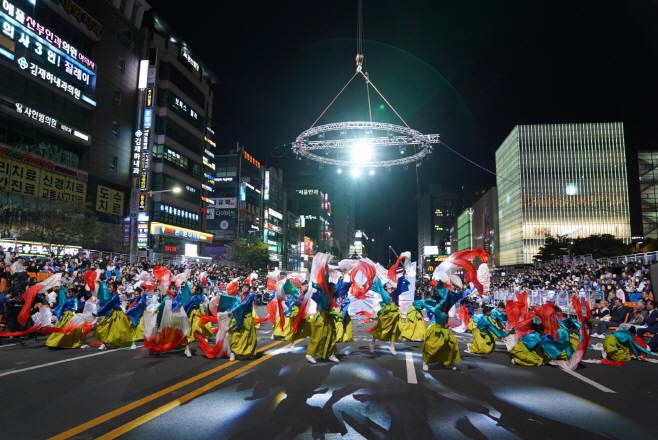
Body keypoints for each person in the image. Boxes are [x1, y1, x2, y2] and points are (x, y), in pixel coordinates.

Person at [413, 295, 460, 371]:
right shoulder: (437, 309)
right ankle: (426, 362)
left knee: (451, 345)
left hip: (445, 330)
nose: (447, 303)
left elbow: (453, 300)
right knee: (432, 347)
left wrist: (462, 291)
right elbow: (425, 305)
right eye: (445, 302)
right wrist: (423, 302)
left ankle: (448, 363)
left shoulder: (446, 309)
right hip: (436, 329)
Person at [93, 280, 135, 351]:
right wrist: (100, 283)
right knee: (106, 328)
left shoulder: (115, 296)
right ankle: (104, 343)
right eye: (108, 287)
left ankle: (132, 343)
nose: (109, 288)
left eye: (110, 287)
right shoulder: (111, 295)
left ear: (114, 288)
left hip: (117, 313)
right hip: (111, 313)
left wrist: (98, 313)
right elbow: (105, 300)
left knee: (122, 329)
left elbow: (108, 305)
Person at [306, 275, 340, 363]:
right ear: (329, 288)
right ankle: (309, 354)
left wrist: (343, 277)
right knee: (318, 336)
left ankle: (332, 354)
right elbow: (325, 284)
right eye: (333, 286)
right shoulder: (325, 295)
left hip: (328, 318)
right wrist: (326, 273)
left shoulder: (334, 296)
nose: (335, 287)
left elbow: (342, 287)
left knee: (332, 336)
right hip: (321, 318)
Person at [367, 277, 403, 355]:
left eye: (390, 283)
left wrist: (403, 275)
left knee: (394, 329)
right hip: (386, 313)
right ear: (385, 287)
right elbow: (377, 282)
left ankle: (392, 346)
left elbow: (399, 285)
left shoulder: (394, 292)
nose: (390, 284)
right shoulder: (383, 291)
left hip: (394, 312)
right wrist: (374, 273)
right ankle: (372, 343)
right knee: (380, 328)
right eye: (388, 283)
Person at [228, 283, 257, 360]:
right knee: (235, 334)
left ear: (248, 289)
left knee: (249, 336)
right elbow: (233, 305)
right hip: (238, 318)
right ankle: (232, 352)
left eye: (246, 287)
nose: (244, 288)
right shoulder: (238, 298)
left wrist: (233, 311)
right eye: (243, 287)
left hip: (247, 318)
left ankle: (250, 351)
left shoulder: (250, 296)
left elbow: (243, 305)